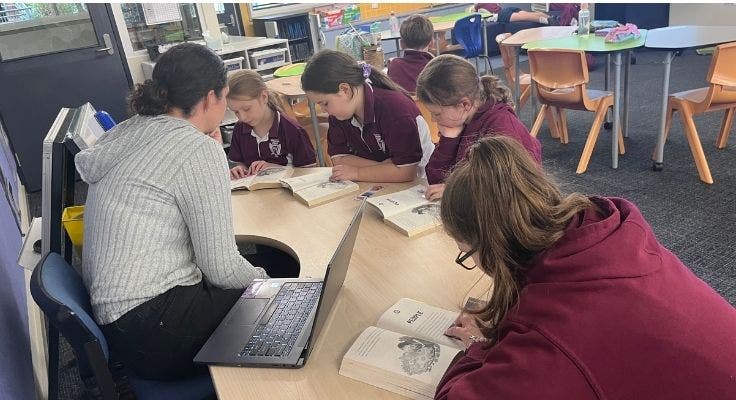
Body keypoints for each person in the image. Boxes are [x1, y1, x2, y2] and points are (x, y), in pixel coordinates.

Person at [435, 136, 736, 399]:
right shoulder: (610, 239)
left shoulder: (555, 333)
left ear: (491, 247)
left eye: (467, 254)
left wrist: (481, 345)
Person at [75, 42, 270, 380]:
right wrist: (272, 284)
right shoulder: (195, 149)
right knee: (282, 296)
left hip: (121, 323)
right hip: (156, 332)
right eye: (224, 98)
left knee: (259, 283)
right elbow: (221, 268)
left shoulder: (131, 129)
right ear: (210, 98)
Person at [415, 54, 540, 200]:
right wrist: (449, 141)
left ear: (464, 104)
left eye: (436, 113)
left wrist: (455, 190)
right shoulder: (457, 123)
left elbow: (508, 189)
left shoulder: (502, 127)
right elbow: (435, 179)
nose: (432, 119)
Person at [302, 49, 435, 183]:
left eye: (325, 103)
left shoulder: (395, 110)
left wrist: (357, 172)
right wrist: (389, 168)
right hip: (377, 185)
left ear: (345, 90)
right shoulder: (340, 114)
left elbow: (407, 173)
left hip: (420, 185)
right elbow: (339, 160)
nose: (325, 111)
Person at [226, 70, 316, 179]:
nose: (242, 117)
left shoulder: (292, 130)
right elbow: (238, 162)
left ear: (264, 97)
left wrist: (275, 169)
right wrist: (238, 169)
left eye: (247, 109)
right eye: (236, 112)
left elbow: (309, 171)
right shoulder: (239, 129)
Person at [387, 14, 435, 93]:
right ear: (432, 43)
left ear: (401, 44)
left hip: (405, 104)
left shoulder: (394, 65)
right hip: (430, 104)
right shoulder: (435, 66)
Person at [474, 3, 560, 25]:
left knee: (525, 16)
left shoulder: (478, 8)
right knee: (528, 14)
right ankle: (551, 19)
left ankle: (549, 20)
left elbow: (488, 16)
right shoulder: (479, 8)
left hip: (501, 14)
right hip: (504, 12)